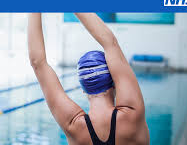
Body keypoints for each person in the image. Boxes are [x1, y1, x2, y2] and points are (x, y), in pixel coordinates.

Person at [27, 13, 149, 145]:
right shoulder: (131, 114)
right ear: (114, 82)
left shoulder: (73, 126)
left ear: (84, 89)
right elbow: (110, 42)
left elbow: (38, 63)